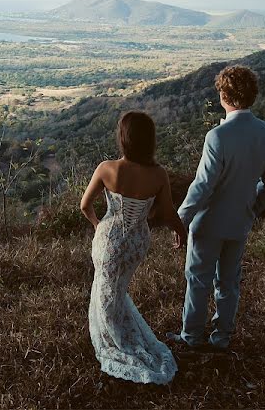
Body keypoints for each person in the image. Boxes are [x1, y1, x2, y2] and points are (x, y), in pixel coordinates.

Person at [169, 64, 265, 351]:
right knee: (229, 282)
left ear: (224, 95)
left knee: (198, 280)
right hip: (241, 220)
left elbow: (202, 185)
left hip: (208, 223)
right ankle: (222, 337)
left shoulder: (217, 137)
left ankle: (191, 337)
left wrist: (180, 219)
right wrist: (254, 206)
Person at [80, 111, 187, 384]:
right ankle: (119, 331)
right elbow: (167, 212)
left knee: (106, 290)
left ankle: (114, 339)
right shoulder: (158, 174)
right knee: (117, 288)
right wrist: (181, 231)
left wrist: (97, 225)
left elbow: (85, 205)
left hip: (110, 239)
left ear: (123, 139)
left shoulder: (108, 169)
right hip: (138, 242)